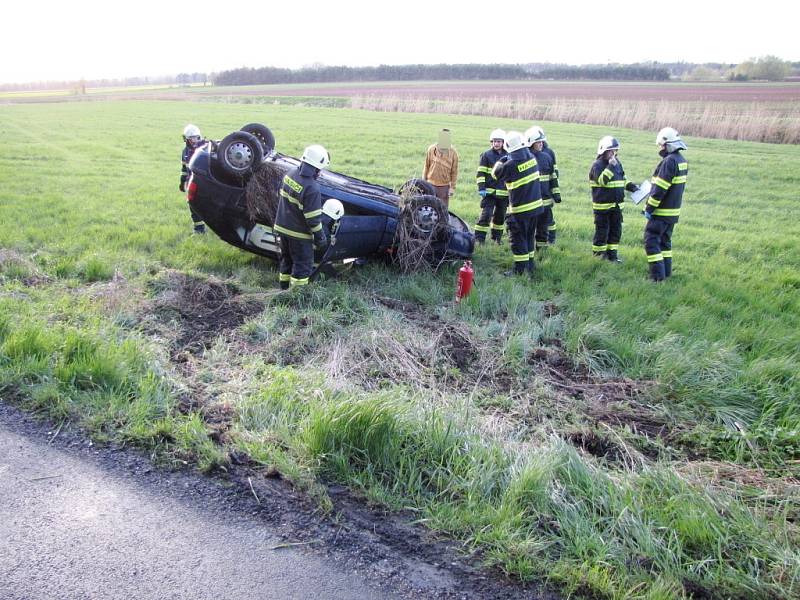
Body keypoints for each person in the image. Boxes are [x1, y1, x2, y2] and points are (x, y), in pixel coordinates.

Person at [274, 144, 330, 289]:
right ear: (317, 167)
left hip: (282, 228)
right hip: (299, 235)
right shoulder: (312, 188)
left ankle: (283, 291)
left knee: (286, 261)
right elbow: (313, 219)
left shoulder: (290, 174)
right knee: (302, 266)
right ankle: (297, 295)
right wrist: (320, 237)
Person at [491, 131, 543, 276]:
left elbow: (495, 174)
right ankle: (530, 266)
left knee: (518, 239)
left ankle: (520, 270)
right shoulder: (532, 158)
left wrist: (502, 159)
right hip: (536, 208)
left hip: (520, 210)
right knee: (529, 237)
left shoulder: (510, 165)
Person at [643, 127, 688, 281]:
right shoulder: (681, 161)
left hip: (661, 213)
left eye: (661, 145)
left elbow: (659, 189)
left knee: (651, 241)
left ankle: (657, 278)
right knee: (665, 244)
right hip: (673, 213)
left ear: (667, 144)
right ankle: (666, 273)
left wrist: (649, 208)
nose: (660, 148)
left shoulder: (669, 162)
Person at [588, 136, 639, 262]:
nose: (613, 154)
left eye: (615, 151)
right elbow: (602, 181)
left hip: (616, 207)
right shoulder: (597, 165)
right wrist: (610, 167)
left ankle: (612, 257)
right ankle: (598, 257)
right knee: (602, 233)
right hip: (603, 208)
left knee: (615, 232)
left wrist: (632, 187)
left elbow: (623, 179)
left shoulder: (617, 163)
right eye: (611, 151)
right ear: (603, 151)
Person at [525, 126, 559, 254]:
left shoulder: (547, 157)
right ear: (530, 142)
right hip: (531, 201)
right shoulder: (526, 158)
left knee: (543, 228)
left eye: (541, 142)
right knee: (529, 228)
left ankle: (542, 251)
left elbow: (553, 177)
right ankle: (529, 250)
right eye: (538, 142)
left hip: (545, 199)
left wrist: (556, 194)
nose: (541, 144)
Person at [474, 129, 509, 244]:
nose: (496, 143)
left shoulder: (508, 156)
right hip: (489, 193)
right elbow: (480, 173)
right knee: (486, 215)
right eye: (494, 141)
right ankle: (479, 239)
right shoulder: (486, 155)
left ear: (503, 142)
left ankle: (496, 239)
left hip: (504, 194)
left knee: (500, 218)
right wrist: (481, 188)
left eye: (499, 141)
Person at [180, 124, 207, 234]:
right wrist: (182, 182)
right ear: (186, 139)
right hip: (192, 183)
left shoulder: (205, 148)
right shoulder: (185, 152)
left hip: (205, 183)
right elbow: (184, 168)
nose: (193, 141)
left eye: (195, 138)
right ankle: (199, 230)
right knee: (193, 205)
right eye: (191, 138)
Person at [423, 129, 459, 208]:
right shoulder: (431, 149)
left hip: (444, 187)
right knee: (428, 207)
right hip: (430, 184)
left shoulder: (453, 153)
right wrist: (423, 183)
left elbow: (454, 172)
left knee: (442, 209)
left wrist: (452, 188)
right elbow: (426, 166)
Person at [538, 127, 562, 245]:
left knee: (549, 218)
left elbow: (554, 171)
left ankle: (551, 239)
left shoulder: (549, 153)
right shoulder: (529, 154)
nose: (540, 144)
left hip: (546, 189)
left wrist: (554, 191)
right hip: (536, 192)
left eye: (541, 141)